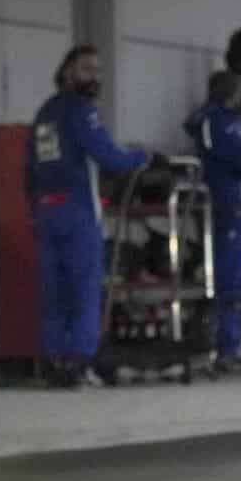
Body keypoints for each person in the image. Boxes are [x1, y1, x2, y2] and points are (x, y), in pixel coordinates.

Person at [27, 45, 152, 387]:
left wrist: (33, 210)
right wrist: (140, 157)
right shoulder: (82, 112)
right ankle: (80, 361)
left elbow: (30, 166)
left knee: (54, 292)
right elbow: (108, 156)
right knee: (84, 290)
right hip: (77, 210)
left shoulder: (44, 113)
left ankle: (55, 361)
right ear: (67, 72)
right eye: (86, 69)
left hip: (45, 211)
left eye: (97, 70)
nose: (94, 77)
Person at [186, 71, 241, 370]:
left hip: (229, 204)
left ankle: (225, 342)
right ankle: (226, 346)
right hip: (229, 205)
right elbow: (240, 159)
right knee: (230, 279)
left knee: (229, 277)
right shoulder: (220, 122)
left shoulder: (213, 121)